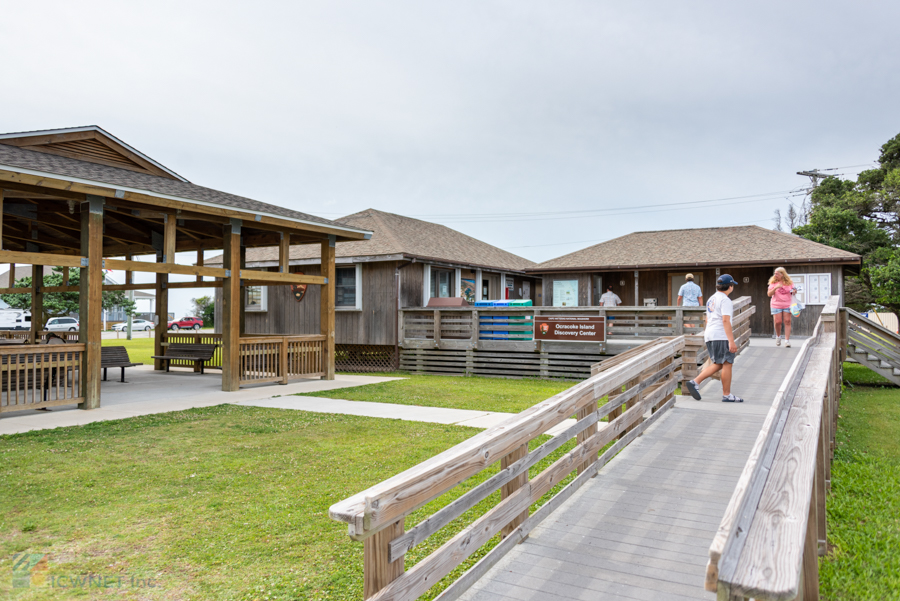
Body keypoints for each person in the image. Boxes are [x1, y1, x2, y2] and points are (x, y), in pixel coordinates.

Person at [684, 274, 743, 402]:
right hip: (721, 335)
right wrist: (731, 341)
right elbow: (726, 321)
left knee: (718, 363)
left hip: (710, 334)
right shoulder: (725, 300)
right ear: (730, 286)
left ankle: (695, 382)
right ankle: (726, 394)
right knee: (727, 363)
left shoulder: (711, 298)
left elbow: (707, 319)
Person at [767, 267, 796, 347]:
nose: (775, 275)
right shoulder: (773, 282)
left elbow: (793, 290)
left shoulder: (789, 282)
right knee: (778, 322)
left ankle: (787, 341)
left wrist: (794, 291)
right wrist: (776, 287)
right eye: (775, 273)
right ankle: (778, 336)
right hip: (776, 304)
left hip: (787, 304)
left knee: (787, 321)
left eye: (777, 274)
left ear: (782, 274)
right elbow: (769, 294)